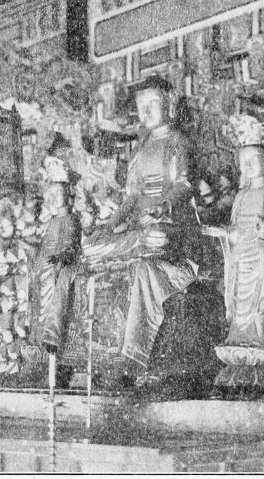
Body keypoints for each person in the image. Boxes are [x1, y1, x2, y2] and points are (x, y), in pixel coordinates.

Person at [82, 75, 198, 372]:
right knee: (91, 244)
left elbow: (184, 184)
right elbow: (132, 196)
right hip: (138, 229)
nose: (145, 111)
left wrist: (163, 206)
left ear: (169, 104)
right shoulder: (141, 148)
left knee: (155, 239)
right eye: (141, 106)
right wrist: (110, 225)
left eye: (152, 103)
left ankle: (134, 352)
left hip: (168, 224)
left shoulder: (177, 142)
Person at [204, 115, 264, 387]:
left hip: (262, 259)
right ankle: (239, 339)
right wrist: (223, 234)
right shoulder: (241, 196)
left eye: (253, 159)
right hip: (241, 259)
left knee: (261, 303)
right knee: (238, 301)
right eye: (243, 161)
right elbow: (235, 231)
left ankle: (260, 339)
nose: (248, 166)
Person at [33, 183, 80, 353]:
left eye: (58, 193)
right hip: (46, 264)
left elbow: (71, 247)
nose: (53, 198)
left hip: (61, 264)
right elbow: (44, 246)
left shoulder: (71, 219)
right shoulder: (52, 221)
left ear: (67, 195)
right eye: (51, 194)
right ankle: (38, 336)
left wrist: (60, 257)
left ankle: (52, 334)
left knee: (55, 280)